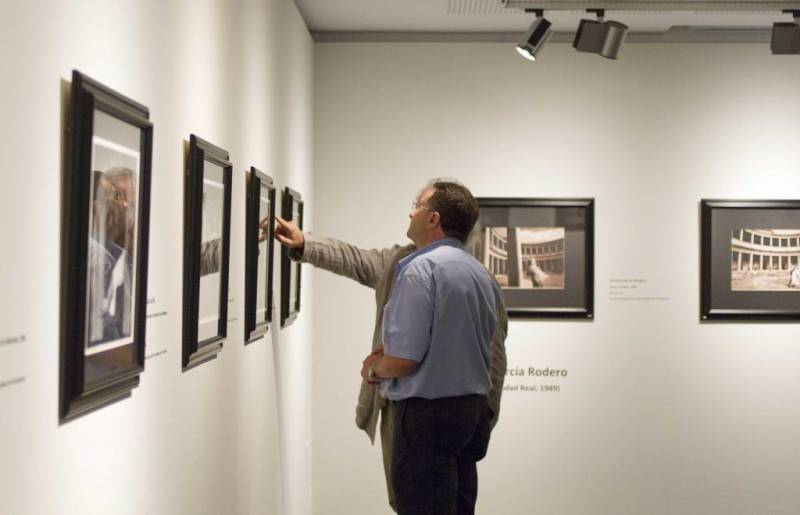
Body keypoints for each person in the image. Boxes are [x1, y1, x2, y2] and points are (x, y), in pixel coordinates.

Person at [274, 179, 507, 514]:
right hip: (465, 415)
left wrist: (373, 368)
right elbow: (353, 258)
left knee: (416, 501)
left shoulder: (415, 270)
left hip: (421, 414)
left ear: (433, 219)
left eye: (417, 205)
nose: (411, 211)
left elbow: (408, 359)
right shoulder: (478, 274)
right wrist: (304, 242)